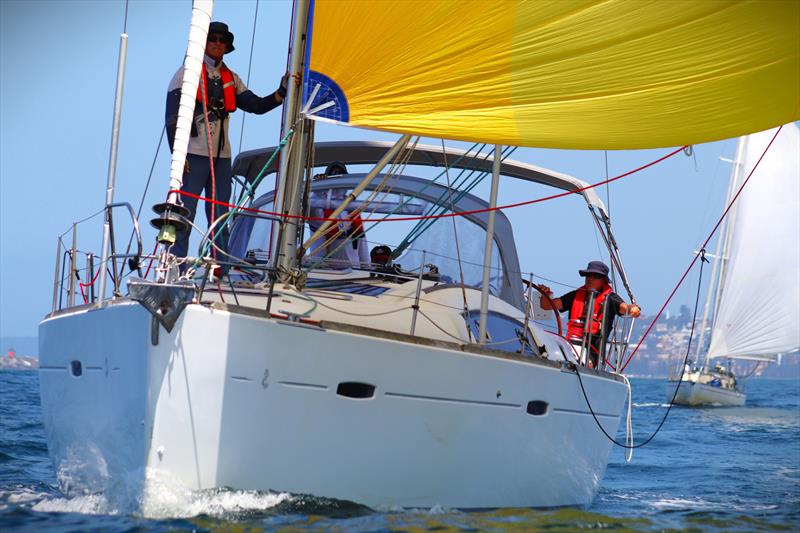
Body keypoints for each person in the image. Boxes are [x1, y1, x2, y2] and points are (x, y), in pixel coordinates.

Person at [165, 21, 287, 261]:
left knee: (220, 216)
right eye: (213, 39)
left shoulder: (231, 77)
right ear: (205, 42)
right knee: (183, 215)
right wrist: (177, 156)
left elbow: (257, 105)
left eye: (222, 40)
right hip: (193, 156)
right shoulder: (186, 74)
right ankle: (175, 267)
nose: (218, 43)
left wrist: (281, 93)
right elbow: (172, 118)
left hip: (222, 159)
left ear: (227, 45)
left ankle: (221, 270)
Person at [537, 260, 641, 368]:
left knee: (583, 364)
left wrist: (633, 308)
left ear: (604, 280)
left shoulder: (610, 298)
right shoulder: (576, 295)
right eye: (587, 275)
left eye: (595, 276)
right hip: (569, 344)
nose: (590, 279)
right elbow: (547, 306)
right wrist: (545, 294)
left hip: (592, 350)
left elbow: (624, 307)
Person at [307, 162, 370, 267]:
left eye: (341, 174)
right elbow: (307, 207)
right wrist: (318, 188)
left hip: (352, 271)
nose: (337, 174)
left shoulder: (352, 208)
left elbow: (362, 243)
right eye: (333, 174)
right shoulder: (318, 205)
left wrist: (367, 267)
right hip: (323, 271)